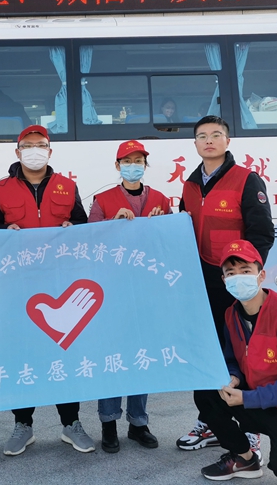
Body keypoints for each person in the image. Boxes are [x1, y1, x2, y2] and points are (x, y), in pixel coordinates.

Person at [0, 124, 94, 456]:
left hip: (59, 282)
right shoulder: (2, 188)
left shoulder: (67, 186)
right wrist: (5, 228)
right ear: (18, 152)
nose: (35, 150)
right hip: (18, 283)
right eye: (28, 145)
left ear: (49, 150)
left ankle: (71, 423)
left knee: (64, 351)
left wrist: (72, 227)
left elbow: (83, 225)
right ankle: (23, 424)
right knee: (22, 352)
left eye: (40, 144)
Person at [176, 115, 274, 458]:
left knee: (240, 354)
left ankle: (249, 429)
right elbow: (183, 231)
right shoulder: (189, 185)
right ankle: (210, 422)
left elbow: (262, 233)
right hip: (201, 282)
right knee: (207, 352)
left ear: (227, 141)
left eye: (216, 135)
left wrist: (246, 276)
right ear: (195, 143)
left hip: (234, 284)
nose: (209, 141)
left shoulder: (246, 180)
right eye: (202, 136)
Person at [195, 240, 277, 483]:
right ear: (224, 280)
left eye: (245, 270)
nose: (238, 277)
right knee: (207, 394)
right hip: (260, 398)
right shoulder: (231, 314)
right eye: (230, 273)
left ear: (261, 275)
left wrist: (247, 398)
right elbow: (231, 358)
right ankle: (244, 459)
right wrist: (233, 377)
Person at [88, 140, 170, 453]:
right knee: (112, 356)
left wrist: (161, 224)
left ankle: (138, 423)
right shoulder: (103, 200)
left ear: (145, 165)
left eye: (138, 161)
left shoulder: (161, 199)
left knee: (141, 355)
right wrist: (112, 225)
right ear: (117, 165)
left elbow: (169, 242)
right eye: (127, 160)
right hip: (112, 291)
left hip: (147, 291)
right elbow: (89, 243)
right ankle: (108, 423)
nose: (133, 165)